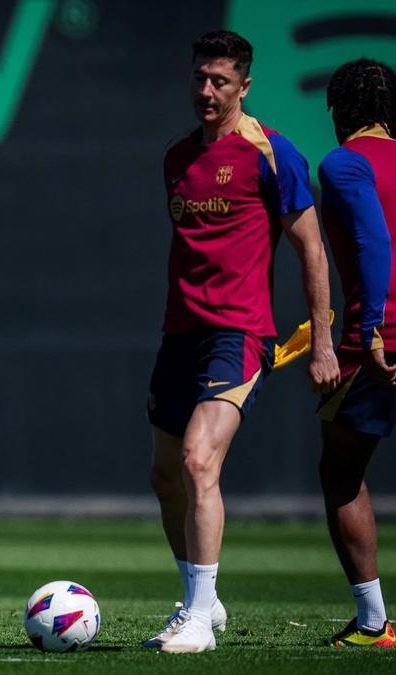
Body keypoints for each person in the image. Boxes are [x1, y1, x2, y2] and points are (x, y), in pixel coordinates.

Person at [144, 30, 340, 653]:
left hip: (240, 334)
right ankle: (201, 599)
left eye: (220, 81)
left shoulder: (272, 154)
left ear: (244, 86)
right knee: (166, 476)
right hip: (181, 334)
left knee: (201, 460)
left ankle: (198, 616)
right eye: (200, 77)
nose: (206, 90)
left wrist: (324, 340)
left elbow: (311, 246)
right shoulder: (177, 157)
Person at [316, 58, 396, 649]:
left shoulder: (344, 162)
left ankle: (375, 623)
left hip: (383, 340)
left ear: (340, 110)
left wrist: (370, 329)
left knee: (341, 471)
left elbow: (371, 240)